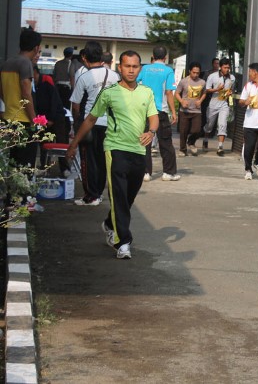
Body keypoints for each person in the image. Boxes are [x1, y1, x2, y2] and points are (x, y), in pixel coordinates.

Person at [66, 50, 158, 260]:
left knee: (128, 197)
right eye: (127, 66)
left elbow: (153, 117)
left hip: (138, 150)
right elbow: (90, 120)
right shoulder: (109, 93)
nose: (131, 70)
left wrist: (151, 132)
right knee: (117, 195)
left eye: (135, 66)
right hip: (115, 148)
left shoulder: (146, 92)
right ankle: (123, 241)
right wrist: (74, 144)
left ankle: (109, 223)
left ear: (140, 69)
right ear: (120, 67)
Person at [70, 41, 120, 206]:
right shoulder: (114, 76)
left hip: (89, 124)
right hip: (109, 124)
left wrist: (78, 122)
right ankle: (98, 193)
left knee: (88, 161)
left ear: (84, 57)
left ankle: (90, 195)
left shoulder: (83, 76)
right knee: (102, 160)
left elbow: (76, 104)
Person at [136, 46, 180, 181]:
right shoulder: (168, 71)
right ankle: (168, 173)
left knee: (145, 141)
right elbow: (168, 92)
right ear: (165, 57)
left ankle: (145, 173)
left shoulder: (144, 69)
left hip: (144, 110)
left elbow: (137, 86)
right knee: (165, 142)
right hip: (160, 111)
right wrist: (173, 112)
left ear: (152, 56)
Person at [0, 28, 42, 167]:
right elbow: (26, 92)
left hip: (9, 118)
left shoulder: (7, 63)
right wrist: (34, 120)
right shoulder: (25, 63)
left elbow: (2, 91)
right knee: (25, 166)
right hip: (23, 121)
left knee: (13, 164)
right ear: (36, 48)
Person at [33, 65, 67, 172]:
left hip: (56, 118)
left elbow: (54, 101)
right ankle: (44, 166)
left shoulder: (47, 80)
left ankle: (65, 168)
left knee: (61, 144)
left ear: (35, 72)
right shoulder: (32, 85)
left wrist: (51, 119)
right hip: (43, 120)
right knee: (44, 143)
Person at [204, 58, 236, 156]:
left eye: (228, 67)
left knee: (222, 124)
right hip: (214, 102)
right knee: (209, 124)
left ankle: (220, 147)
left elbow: (233, 89)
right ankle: (205, 138)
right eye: (225, 67)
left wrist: (231, 93)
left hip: (224, 103)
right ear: (220, 67)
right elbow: (207, 89)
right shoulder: (212, 76)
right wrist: (217, 89)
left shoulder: (232, 78)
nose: (227, 69)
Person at [175, 62, 206, 156]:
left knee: (197, 130)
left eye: (198, 73)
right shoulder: (183, 81)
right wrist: (182, 101)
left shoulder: (202, 82)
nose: (196, 74)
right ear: (189, 71)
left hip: (196, 110)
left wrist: (200, 101)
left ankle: (191, 142)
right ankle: (182, 149)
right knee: (183, 131)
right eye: (194, 72)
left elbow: (204, 93)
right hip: (185, 111)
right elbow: (176, 93)